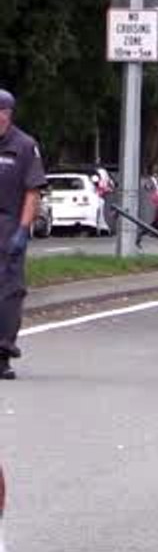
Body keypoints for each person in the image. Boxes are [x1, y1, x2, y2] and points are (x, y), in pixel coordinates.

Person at [0, 90, 46, 380]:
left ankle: (2, 352)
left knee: (9, 292)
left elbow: (33, 191)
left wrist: (23, 229)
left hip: (8, 225)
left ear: (7, 114)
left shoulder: (24, 145)